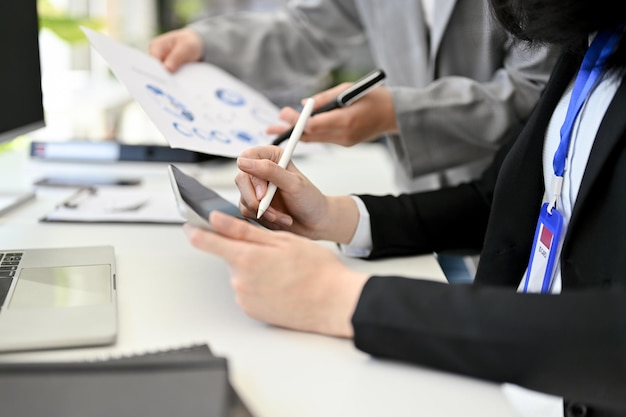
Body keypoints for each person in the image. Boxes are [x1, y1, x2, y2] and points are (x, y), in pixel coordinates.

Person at [180, 0, 626, 414]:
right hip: (503, 382)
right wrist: (335, 217)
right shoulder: (588, 43)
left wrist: (343, 299)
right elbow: (496, 201)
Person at [149, 0, 558, 193]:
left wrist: (394, 114)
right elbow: (309, 31)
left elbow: (535, 91)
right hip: (416, 201)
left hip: (518, 197)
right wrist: (204, 43)